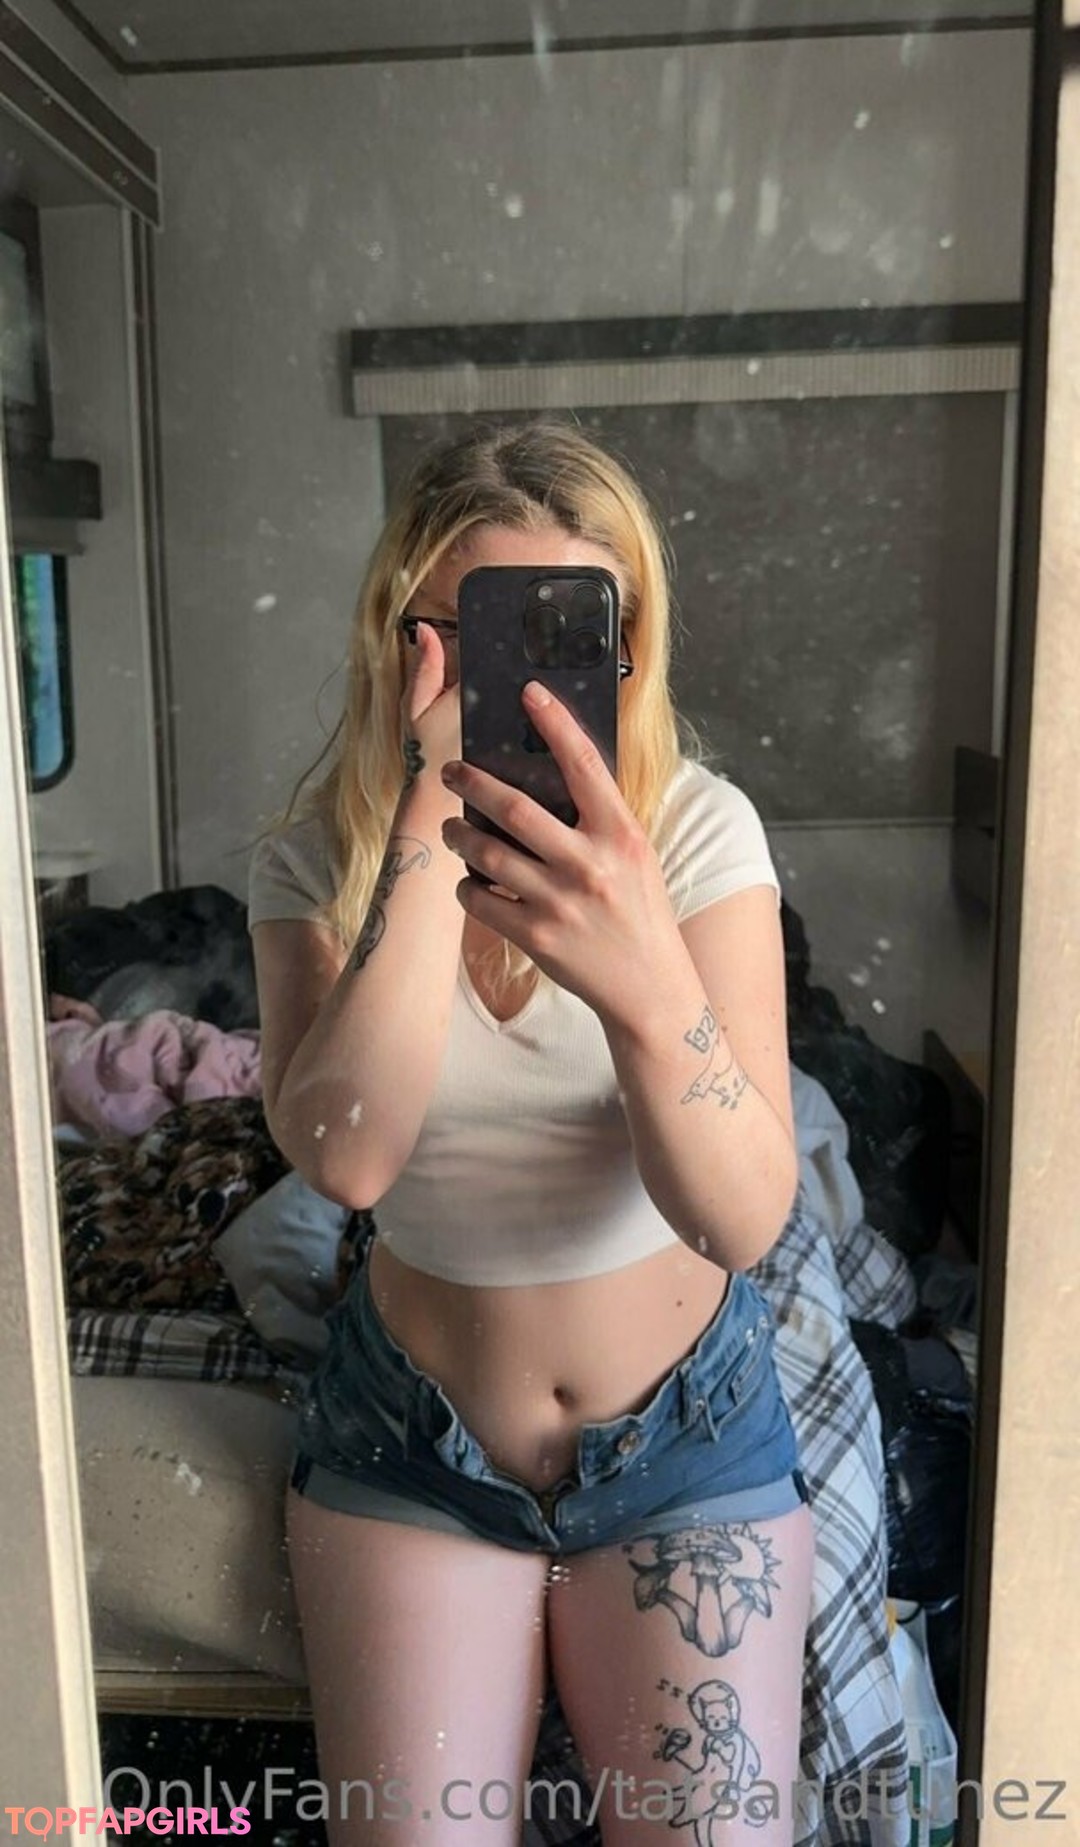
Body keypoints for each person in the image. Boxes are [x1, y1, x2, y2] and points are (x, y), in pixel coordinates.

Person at [248, 421, 816, 1846]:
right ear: (403, 639)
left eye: (566, 636)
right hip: (410, 1447)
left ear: (630, 647)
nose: (522, 681)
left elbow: (743, 1217)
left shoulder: (697, 834)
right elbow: (350, 1158)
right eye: (472, 632)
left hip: (686, 1440)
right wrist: (428, 818)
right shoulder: (317, 858)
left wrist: (642, 968)